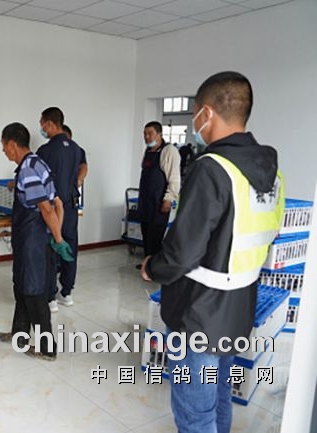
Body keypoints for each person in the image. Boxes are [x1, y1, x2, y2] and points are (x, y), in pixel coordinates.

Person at [140, 71, 285, 433]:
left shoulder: (211, 168)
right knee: (219, 394)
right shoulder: (270, 172)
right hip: (238, 307)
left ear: (206, 113)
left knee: (194, 412)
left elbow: (182, 252)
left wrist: (152, 267)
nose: (195, 124)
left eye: (194, 115)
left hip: (198, 313)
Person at [0, 122, 72, 361]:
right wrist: (56, 235)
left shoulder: (28, 169)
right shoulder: (37, 164)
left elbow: (47, 209)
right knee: (21, 286)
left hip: (33, 240)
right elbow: (58, 203)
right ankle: (19, 334)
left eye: (3, 145)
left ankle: (47, 348)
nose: (3, 150)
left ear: (12, 144)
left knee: (34, 290)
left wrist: (58, 238)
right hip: (31, 238)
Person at [36, 108, 86, 311]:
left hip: (53, 208)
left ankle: (50, 298)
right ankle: (67, 292)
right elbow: (82, 170)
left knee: (51, 249)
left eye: (42, 124)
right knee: (70, 248)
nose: (41, 128)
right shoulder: (76, 149)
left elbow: (39, 183)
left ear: (49, 124)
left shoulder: (45, 151)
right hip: (71, 206)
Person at [136, 120, 180, 268]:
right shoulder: (148, 151)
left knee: (155, 236)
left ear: (159, 134)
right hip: (145, 201)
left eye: (150, 133)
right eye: (144, 134)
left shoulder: (169, 151)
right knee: (146, 233)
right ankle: (147, 263)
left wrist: (168, 199)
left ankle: (154, 267)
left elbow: (174, 179)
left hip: (159, 202)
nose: (146, 137)